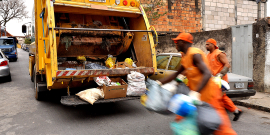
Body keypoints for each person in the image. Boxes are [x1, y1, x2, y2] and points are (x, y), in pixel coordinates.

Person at [157, 33, 237, 135]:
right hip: (197, 97)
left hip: (209, 96)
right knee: (186, 122)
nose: (175, 44)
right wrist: (159, 83)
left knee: (221, 128)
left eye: (177, 42)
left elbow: (207, 73)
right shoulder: (185, 57)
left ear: (184, 42)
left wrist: (195, 93)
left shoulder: (194, 54)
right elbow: (176, 74)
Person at [206, 38, 242, 121]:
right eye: (206, 44)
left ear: (213, 45)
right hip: (213, 81)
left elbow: (227, 65)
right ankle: (236, 111)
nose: (206, 46)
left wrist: (220, 74)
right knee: (222, 97)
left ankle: (215, 117)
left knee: (216, 97)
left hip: (221, 81)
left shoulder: (219, 53)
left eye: (208, 44)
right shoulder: (208, 55)